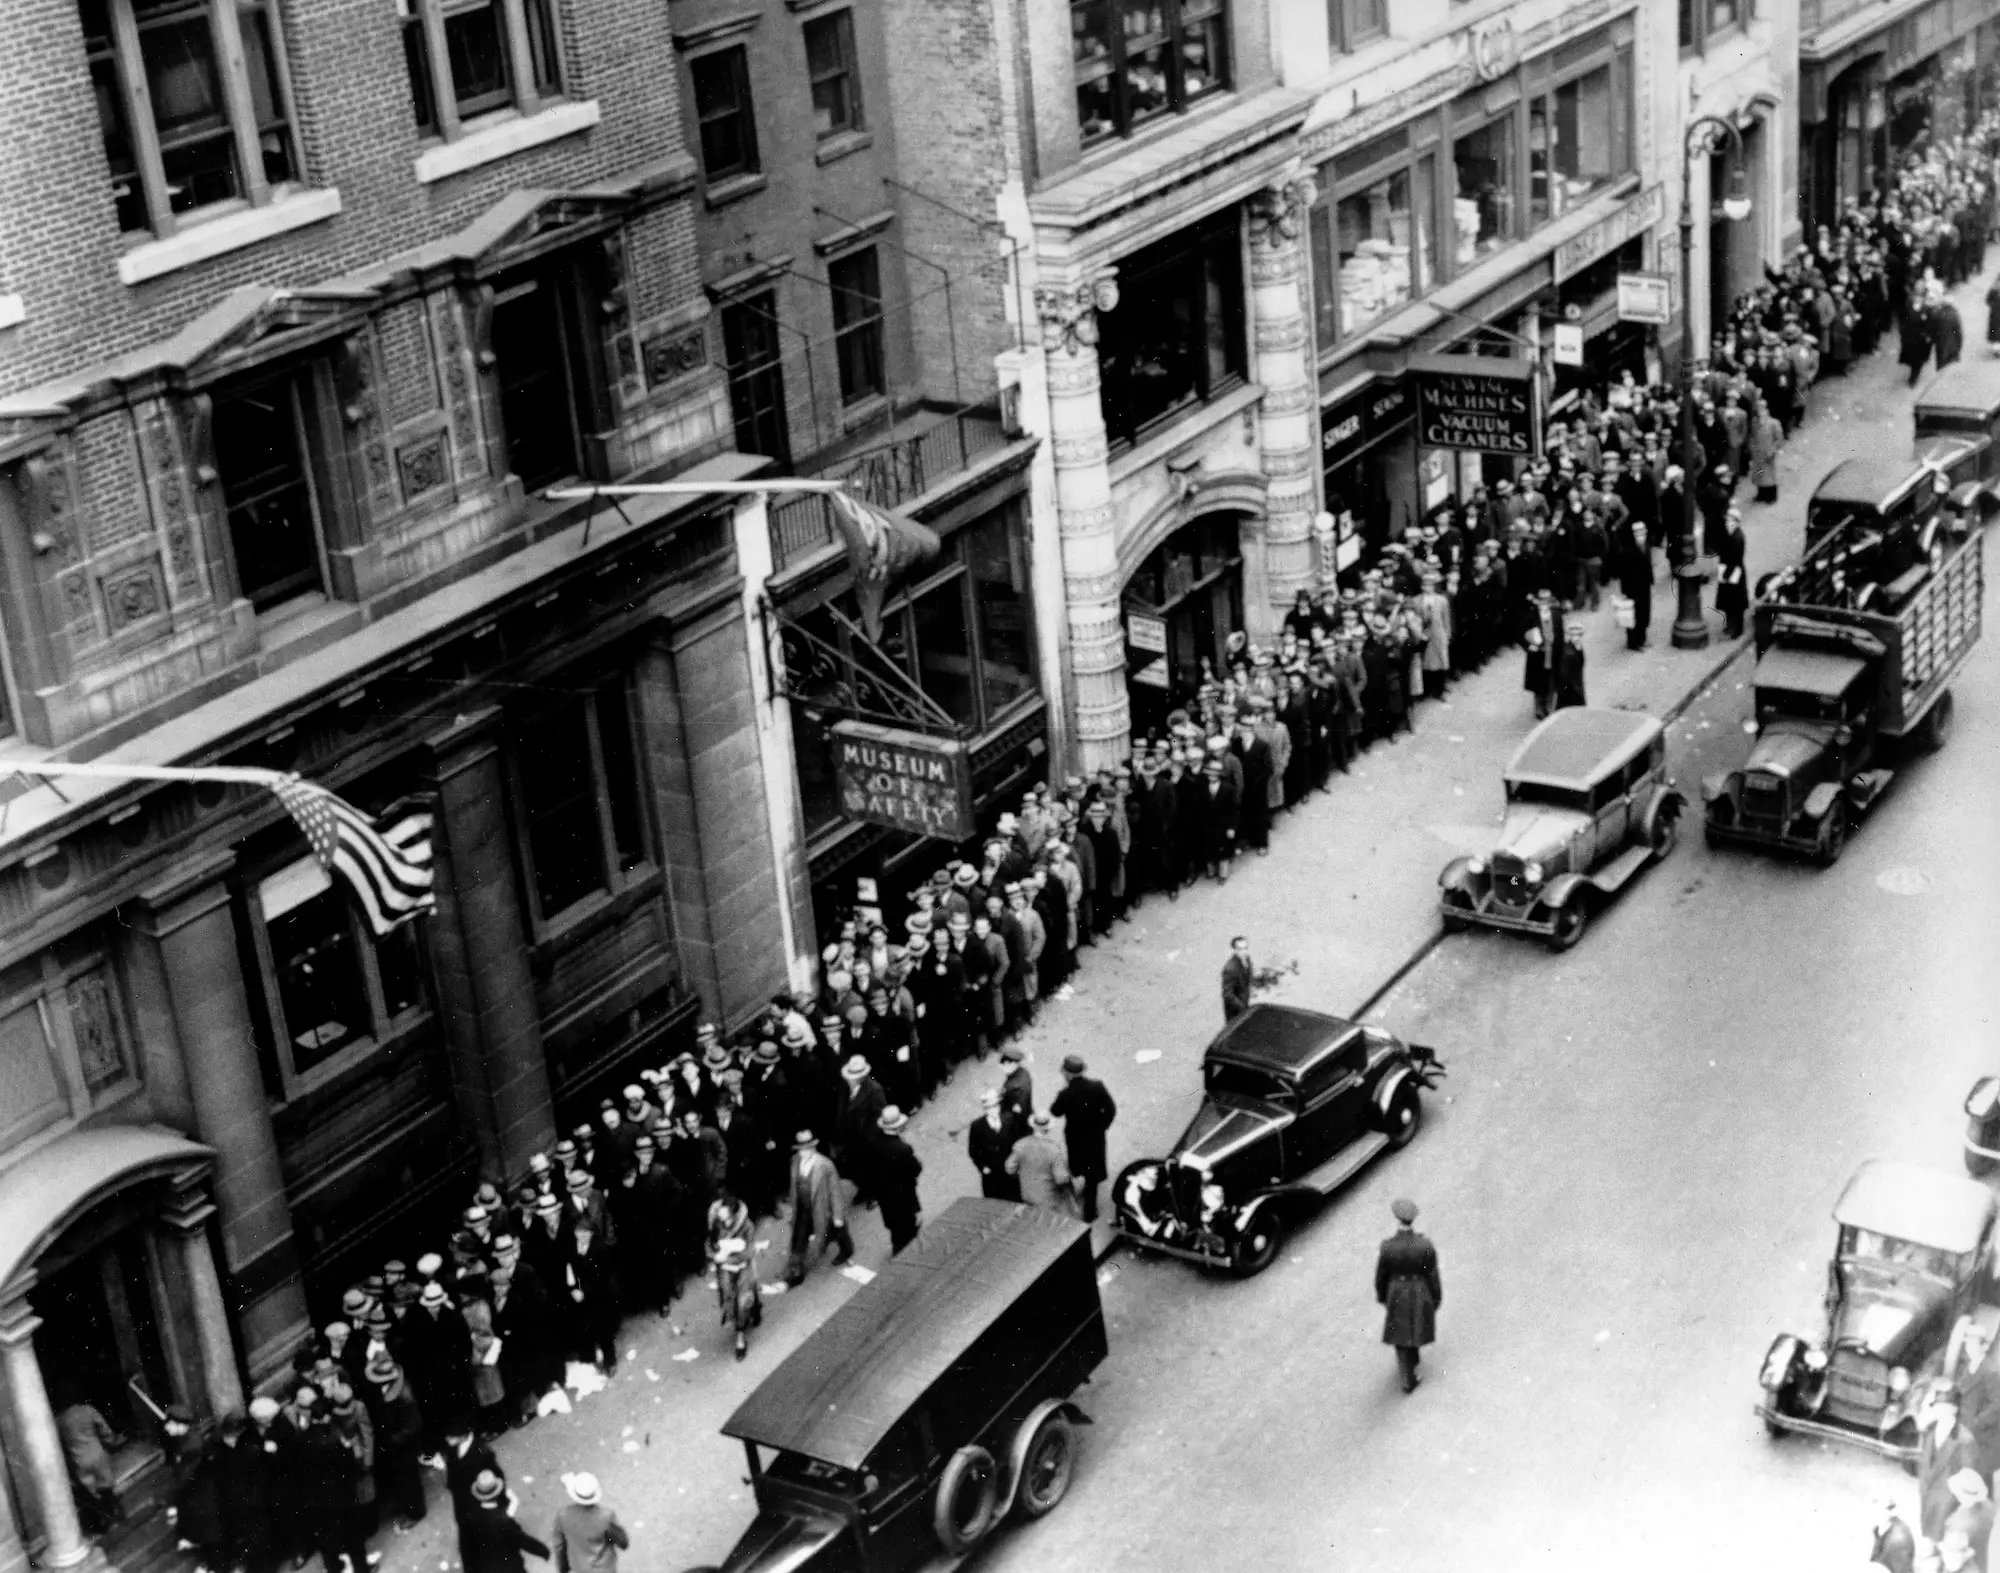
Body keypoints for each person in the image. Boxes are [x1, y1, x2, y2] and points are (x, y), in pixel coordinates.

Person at [1375, 1198, 1441, 1394]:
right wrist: (1436, 1297)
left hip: (1396, 1290)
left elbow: (1381, 1276)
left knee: (1400, 1334)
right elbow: (1432, 1274)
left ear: (1397, 1220)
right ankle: (1411, 1368)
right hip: (1419, 1288)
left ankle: (1407, 1377)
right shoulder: (1424, 1245)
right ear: (1413, 1221)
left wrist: (1382, 1296)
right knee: (1416, 1325)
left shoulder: (1387, 1247)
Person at [1050, 1054, 1117, 1223]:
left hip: (1076, 1140)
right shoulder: (1097, 1086)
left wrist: (1061, 1093)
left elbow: (1055, 1111)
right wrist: (1103, 1126)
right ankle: (1090, 1211)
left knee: (1078, 1167)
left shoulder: (1065, 1094)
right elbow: (1111, 1109)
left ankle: (1079, 1186)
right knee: (1093, 1174)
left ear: (1068, 1075)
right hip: (1095, 1139)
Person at [783, 1130, 853, 1284]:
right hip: (803, 1208)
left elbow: (835, 1192)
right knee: (799, 1236)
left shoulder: (825, 1165)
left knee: (836, 1230)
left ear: (813, 1148)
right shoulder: (794, 1161)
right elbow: (793, 1185)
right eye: (801, 1149)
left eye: (807, 1149)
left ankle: (846, 1250)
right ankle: (796, 1269)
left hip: (822, 1208)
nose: (803, 1153)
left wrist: (838, 1215)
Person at [54, 1389, 124, 1533]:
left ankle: (103, 1523)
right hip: (97, 1454)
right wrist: (111, 1441)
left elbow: (59, 1445)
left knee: (91, 1492)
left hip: (79, 1460)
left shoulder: (58, 1421)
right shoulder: (87, 1410)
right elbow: (104, 1429)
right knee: (106, 1487)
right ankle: (117, 1515)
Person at [706, 1189, 762, 1361]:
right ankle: (749, 1310)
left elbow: (750, 1251)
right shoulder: (716, 1224)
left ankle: (740, 1337)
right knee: (728, 1296)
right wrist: (714, 1256)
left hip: (742, 1266)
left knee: (743, 1299)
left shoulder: (747, 1226)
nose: (720, 1214)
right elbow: (709, 1244)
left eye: (724, 1212)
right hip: (725, 1268)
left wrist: (727, 1258)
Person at [1921, 1386, 1982, 1539]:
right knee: (1926, 1529)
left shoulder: (1965, 1440)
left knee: (1940, 1535)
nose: (1936, 1411)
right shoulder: (1930, 1429)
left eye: (1941, 1407)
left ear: (1953, 1409)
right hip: (1927, 1492)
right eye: (1936, 1407)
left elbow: (1967, 1476)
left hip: (1946, 1501)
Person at [458, 1470, 549, 1573]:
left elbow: (466, 1550)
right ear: (498, 1493)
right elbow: (523, 1541)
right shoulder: (506, 1523)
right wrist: (544, 1552)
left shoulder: (469, 1519)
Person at [871, 1105, 924, 1252]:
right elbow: (915, 1169)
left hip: (885, 1195)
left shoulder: (874, 1143)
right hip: (903, 1197)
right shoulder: (902, 1149)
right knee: (908, 1230)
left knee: (895, 1228)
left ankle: (897, 1246)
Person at [552, 1473, 628, 1573]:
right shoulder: (606, 1516)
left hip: (580, 1569)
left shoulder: (563, 1515)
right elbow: (623, 1543)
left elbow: (559, 1546)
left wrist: (562, 1569)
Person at [1006, 1112, 1077, 1214]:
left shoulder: (1021, 1144)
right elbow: (1061, 1179)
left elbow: (1009, 1168)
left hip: (1027, 1194)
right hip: (1047, 1199)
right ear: (1048, 1128)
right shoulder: (1053, 1150)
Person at [967, 1089, 1022, 1202]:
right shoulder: (977, 1126)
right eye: (989, 1107)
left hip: (1009, 1171)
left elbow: (1017, 1141)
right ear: (985, 1109)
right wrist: (982, 1167)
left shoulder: (1009, 1119)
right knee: (994, 1202)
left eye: (996, 1106)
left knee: (1014, 1199)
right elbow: (973, 1151)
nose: (993, 1110)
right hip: (991, 1174)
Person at [1220, 935, 1254, 1023]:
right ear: (1234, 950)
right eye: (1240, 949)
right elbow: (1227, 994)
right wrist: (1242, 1007)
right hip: (1234, 1010)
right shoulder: (1230, 969)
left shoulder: (1247, 959)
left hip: (1244, 1002)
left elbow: (1248, 977)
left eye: (1245, 948)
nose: (1243, 952)